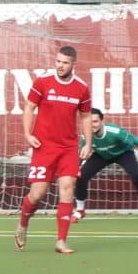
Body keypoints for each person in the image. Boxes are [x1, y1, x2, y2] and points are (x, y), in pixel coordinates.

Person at [14, 46, 92, 255]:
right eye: (58, 61)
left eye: (65, 62)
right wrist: (28, 135)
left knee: (67, 187)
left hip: (68, 147)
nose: (60, 66)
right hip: (44, 146)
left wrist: (88, 143)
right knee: (38, 194)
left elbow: (85, 117)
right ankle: (22, 224)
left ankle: (61, 241)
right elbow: (29, 107)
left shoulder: (81, 88)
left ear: (73, 64)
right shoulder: (43, 81)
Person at [72, 108, 138, 224]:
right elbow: (82, 152)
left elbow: (134, 139)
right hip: (101, 155)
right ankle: (80, 210)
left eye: (95, 121)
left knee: (136, 176)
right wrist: (76, 166)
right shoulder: (86, 136)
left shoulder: (115, 132)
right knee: (81, 177)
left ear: (101, 121)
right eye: (89, 122)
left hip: (123, 153)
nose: (92, 125)